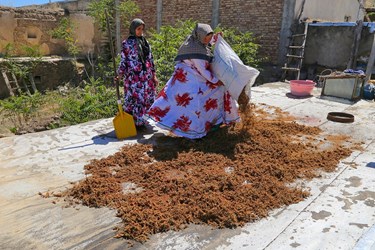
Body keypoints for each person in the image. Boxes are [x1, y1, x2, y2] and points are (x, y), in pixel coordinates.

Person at [146, 23, 240, 139]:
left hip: (193, 76)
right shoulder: (194, 50)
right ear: (200, 36)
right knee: (195, 105)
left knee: (214, 94)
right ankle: (194, 130)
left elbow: (208, 44)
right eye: (207, 36)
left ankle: (214, 122)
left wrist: (216, 38)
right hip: (189, 80)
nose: (208, 39)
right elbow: (203, 71)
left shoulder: (197, 42)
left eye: (210, 36)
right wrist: (216, 81)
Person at [116, 18, 158, 128]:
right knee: (135, 100)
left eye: (142, 29)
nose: (140, 31)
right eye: (138, 29)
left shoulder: (145, 43)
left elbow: (150, 60)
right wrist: (120, 74)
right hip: (133, 79)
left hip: (146, 77)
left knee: (146, 99)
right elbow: (124, 60)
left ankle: (143, 122)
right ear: (133, 29)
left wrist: (154, 75)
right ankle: (134, 123)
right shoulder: (127, 44)